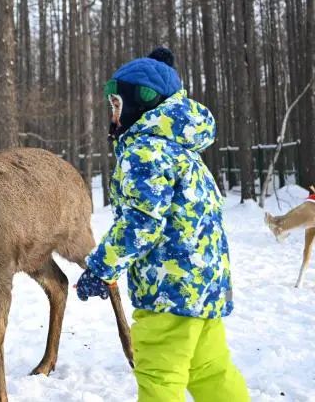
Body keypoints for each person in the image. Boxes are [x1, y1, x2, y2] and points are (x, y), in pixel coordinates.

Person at [74, 48, 249, 402]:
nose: (113, 112)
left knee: (159, 377)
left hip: (169, 290)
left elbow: (142, 223)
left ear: (142, 105)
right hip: (204, 288)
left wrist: (101, 267)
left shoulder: (145, 150)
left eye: (117, 104)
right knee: (211, 371)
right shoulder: (179, 147)